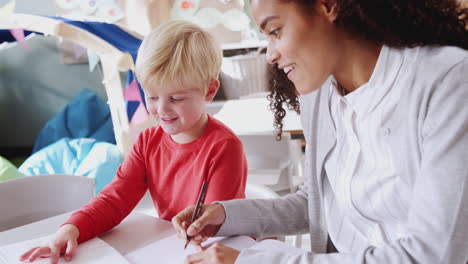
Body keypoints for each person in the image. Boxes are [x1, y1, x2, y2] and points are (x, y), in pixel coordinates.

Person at [172, 0, 468, 263]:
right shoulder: (321, 95)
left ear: (328, 5)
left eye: (275, 31)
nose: (270, 55)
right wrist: (228, 217)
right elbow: (315, 201)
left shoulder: (447, 82)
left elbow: (436, 254)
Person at [19, 20, 247, 264]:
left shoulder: (224, 147)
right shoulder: (148, 141)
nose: (162, 109)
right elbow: (115, 199)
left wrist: (203, 229)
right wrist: (70, 229)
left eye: (176, 98)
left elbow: (219, 227)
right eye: (151, 96)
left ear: (209, 91)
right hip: (167, 248)